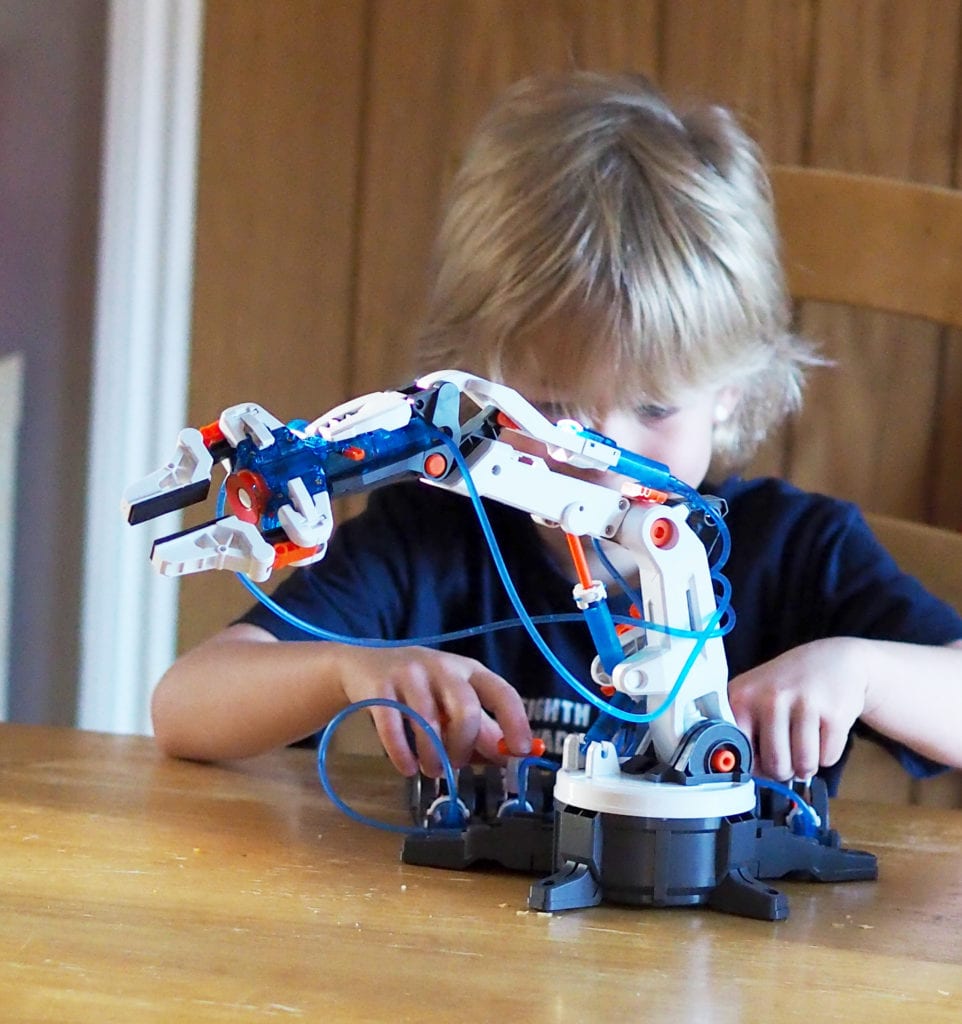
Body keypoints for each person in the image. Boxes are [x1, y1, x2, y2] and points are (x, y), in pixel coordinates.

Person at [150, 71, 962, 792]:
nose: (603, 463)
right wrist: (346, 669)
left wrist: (867, 671)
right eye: (553, 409)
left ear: (732, 390)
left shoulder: (799, 552)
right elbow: (183, 707)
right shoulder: (430, 543)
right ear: (477, 388)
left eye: (651, 408)